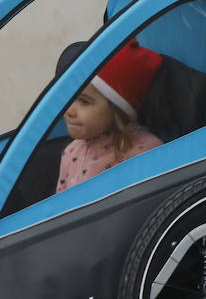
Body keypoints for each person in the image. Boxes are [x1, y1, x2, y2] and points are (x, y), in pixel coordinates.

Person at [57, 41, 164, 193]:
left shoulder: (144, 153)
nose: (69, 111)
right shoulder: (71, 152)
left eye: (84, 101)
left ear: (118, 109)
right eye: (69, 97)